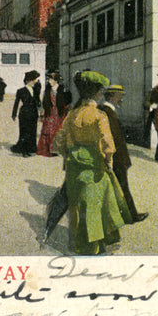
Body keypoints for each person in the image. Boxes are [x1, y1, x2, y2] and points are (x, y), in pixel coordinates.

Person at [51, 70, 129, 255]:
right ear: (98, 93)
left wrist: (70, 155)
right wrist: (107, 161)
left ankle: (82, 244)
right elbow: (109, 145)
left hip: (74, 167)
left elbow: (58, 143)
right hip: (94, 165)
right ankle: (98, 244)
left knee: (78, 205)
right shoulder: (99, 115)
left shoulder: (72, 114)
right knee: (98, 204)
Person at [99, 85, 147, 223]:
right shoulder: (108, 113)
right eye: (120, 97)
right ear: (112, 97)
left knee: (116, 187)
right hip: (116, 158)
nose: (122, 100)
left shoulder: (105, 111)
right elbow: (113, 139)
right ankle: (131, 216)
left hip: (113, 158)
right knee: (123, 187)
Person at [37, 71, 71, 157]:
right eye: (48, 79)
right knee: (48, 130)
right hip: (50, 112)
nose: (49, 81)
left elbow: (68, 100)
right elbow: (44, 102)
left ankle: (57, 149)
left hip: (59, 112)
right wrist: (43, 111)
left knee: (58, 130)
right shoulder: (48, 89)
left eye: (51, 79)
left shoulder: (62, 89)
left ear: (56, 80)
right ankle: (48, 149)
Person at [10, 70, 41, 156]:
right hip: (25, 113)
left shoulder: (35, 90)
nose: (34, 82)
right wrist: (14, 114)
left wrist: (40, 107)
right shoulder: (21, 90)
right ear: (28, 81)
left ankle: (31, 148)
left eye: (34, 80)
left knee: (32, 131)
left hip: (33, 113)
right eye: (33, 80)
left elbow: (38, 101)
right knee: (24, 132)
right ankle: (24, 151)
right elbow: (16, 103)